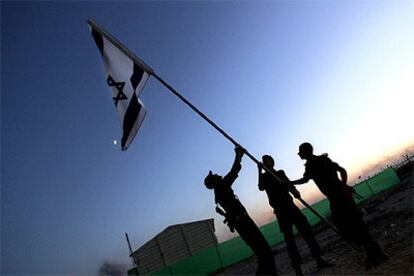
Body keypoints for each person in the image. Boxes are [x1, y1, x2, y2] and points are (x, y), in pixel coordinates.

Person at [289, 142, 388, 269]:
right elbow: (307, 179)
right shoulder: (312, 165)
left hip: (339, 197)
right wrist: (289, 183)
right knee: (349, 225)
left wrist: (342, 186)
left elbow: (341, 171)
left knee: (353, 224)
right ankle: (373, 253)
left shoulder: (318, 161)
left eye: (300, 151)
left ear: (307, 151)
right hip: (336, 197)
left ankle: (375, 255)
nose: (299, 154)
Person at [204, 146, 278, 275]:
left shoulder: (219, 191)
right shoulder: (221, 187)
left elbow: (234, 172)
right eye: (214, 176)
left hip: (242, 223)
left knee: (263, 253)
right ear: (213, 182)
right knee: (264, 251)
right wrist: (239, 155)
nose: (216, 174)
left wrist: (239, 156)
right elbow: (234, 171)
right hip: (244, 223)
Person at [258, 154, 334, 275]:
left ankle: (319, 259)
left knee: (307, 231)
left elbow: (289, 185)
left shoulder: (280, 173)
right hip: (280, 212)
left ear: (272, 162)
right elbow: (261, 188)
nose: (266, 162)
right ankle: (298, 269)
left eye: (268, 160)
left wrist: (295, 192)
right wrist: (259, 170)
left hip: (291, 207)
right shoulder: (264, 177)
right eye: (264, 161)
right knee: (290, 241)